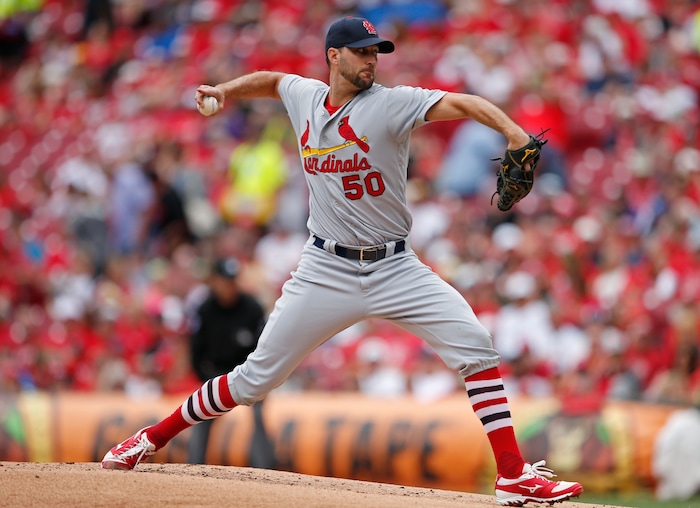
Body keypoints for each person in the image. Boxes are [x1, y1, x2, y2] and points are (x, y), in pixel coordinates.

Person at [101, 16, 583, 506]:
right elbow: (271, 81)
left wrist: (513, 132)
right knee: (254, 380)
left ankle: (512, 474)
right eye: (362, 52)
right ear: (334, 55)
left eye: (376, 52)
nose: (372, 60)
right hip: (325, 269)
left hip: (395, 266)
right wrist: (225, 90)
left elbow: (463, 102)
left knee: (475, 345)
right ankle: (150, 438)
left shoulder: (391, 104)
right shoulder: (305, 96)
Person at [185, 257, 275, 468]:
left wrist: (256, 377)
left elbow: (263, 346)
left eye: (233, 280)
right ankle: (193, 468)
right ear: (214, 281)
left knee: (259, 415)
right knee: (201, 414)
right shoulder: (204, 309)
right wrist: (204, 377)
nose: (230, 286)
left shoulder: (251, 308)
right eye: (225, 281)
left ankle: (265, 470)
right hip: (216, 373)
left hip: (247, 371)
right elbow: (195, 349)